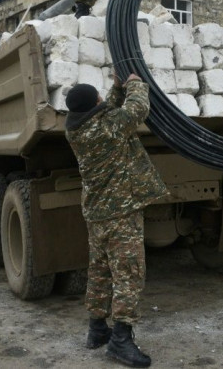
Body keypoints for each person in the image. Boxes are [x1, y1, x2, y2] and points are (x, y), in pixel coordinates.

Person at [65, 74, 170, 368]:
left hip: (98, 214)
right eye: (99, 97)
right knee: (128, 274)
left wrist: (113, 89)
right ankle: (121, 341)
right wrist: (134, 83)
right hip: (120, 214)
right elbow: (137, 108)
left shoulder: (76, 129)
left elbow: (104, 110)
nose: (102, 100)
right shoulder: (109, 127)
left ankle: (97, 329)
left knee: (100, 271)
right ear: (94, 104)